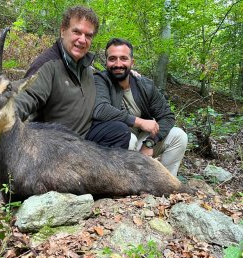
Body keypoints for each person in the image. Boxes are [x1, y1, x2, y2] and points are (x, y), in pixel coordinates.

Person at [89, 38, 188, 176]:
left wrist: (150, 143)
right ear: (106, 62)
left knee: (179, 136)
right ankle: (126, 184)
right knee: (129, 137)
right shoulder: (100, 80)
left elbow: (167, 116)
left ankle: (166, 183)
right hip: (113, 143)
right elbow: (100, 109)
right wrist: (140, 122)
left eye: (124, 58)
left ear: (132, 62)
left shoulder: (145, 86)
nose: (118, 64)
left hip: (140, 142)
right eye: (112, 59)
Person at [15, 6, 99, 137]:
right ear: (63, 31)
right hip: (56, 147)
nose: (83, 40)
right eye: (77, 32)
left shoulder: (86, 67)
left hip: (86, 139)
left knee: (118, 132)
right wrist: (6, 114)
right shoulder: (47, 65)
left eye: (88, 35)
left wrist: (129, 75)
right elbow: (28, 96)